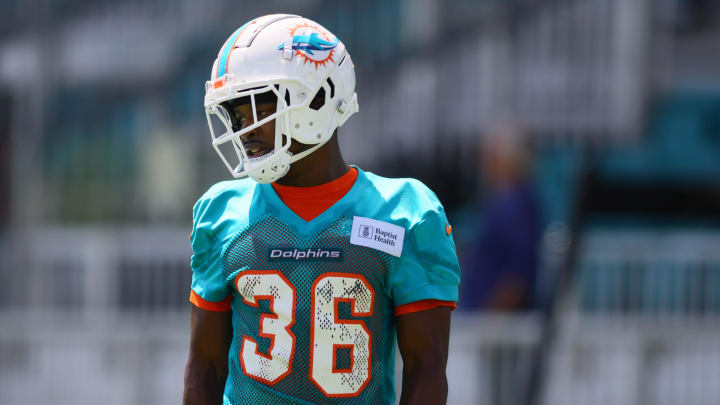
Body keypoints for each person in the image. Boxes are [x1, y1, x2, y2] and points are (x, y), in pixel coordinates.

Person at [183, 14, 461, 405]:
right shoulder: (222, 213)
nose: (245, 130)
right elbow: (204, 367)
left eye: (259, 109)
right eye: (237, 115)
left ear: (317, 98)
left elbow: (426, 370)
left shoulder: (403, 214)